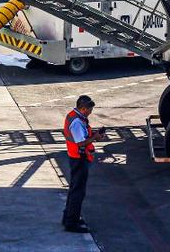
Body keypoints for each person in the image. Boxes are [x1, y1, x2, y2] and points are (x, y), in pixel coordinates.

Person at [61, 94, 106, 234]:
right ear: (83, 108)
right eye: (90, 109)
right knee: (78, 191)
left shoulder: (75, 116)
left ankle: (69, 217)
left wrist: (93, 135)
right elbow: (80, 142)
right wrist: (95, 137)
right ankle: (71, 222)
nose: (91, 112)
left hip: (76, 157)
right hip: (79, 159)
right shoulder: (77, 122)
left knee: (75, 188)